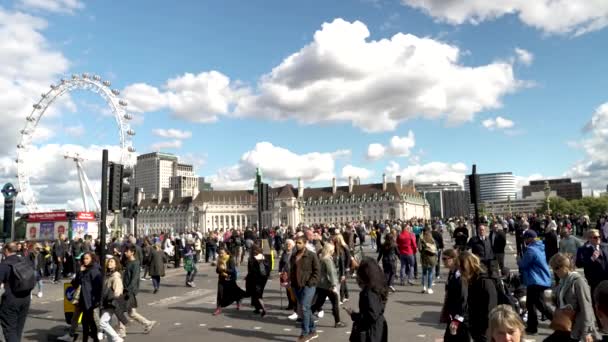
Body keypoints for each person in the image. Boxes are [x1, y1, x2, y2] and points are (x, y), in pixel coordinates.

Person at [545, 253, 599, 342]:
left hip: (576, 327)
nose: (554, 271)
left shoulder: (578, 282)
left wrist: (587, 332)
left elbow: (586, 308)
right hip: (565, 324)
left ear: (564, 267)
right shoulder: (563, 281)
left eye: (556, 268)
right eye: (553, 269)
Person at [343, 257, 388, 342]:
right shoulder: (379, 286)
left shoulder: (369, 292)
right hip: (378, 328)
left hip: (370, 332)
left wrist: (354, 315)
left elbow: (371, 316)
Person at [517, 230, 553, 335]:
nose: (524, 240)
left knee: (540, 304)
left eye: (526, 238)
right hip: (538, 279)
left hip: (536, 280)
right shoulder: (539, 247)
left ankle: (558, 321)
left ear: (530, 238)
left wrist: (519, 260)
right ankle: (532, 327)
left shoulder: (531, 250)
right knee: (531, 304)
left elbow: (523, 264)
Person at [117, 244, 156, 338]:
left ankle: (122, 332)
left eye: (127, 251)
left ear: (132, 252)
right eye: (125, 251)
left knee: (119, 310)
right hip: (126, 290)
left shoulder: (135, 263)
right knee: (131, 313)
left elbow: (134, 279)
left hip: (129, 291)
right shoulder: (128, 262)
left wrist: (129, 291)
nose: (125, 253)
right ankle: (148, 323)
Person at [0, 242, 35, 342]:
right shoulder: (24, 260)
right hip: (26, 298)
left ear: (6, 250)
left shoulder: (4, 264)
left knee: (10, 330)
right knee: (18, 330)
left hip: (11, 299)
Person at [460, 251, 497, 342]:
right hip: (477, 326)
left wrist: (487, 330)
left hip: (484, 329)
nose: (460, 271)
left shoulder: (484, 281)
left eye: (461, 268)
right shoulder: (474, 279)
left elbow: (491, 308)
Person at [290, 235, 320, 342]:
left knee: (304, 307)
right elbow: (292, 270)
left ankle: (305, 333)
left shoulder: (311, 255)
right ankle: (313, 330)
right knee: (306, 309)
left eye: (300, 243)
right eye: (296, 243)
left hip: (308, 286)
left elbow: (317, 271)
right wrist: (291, 283)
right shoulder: (293, 256)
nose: (297, 245)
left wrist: (310, 282)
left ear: (305, 243)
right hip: (296, 286)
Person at [311, 243, 346, 328]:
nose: (334, 251)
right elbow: (331, 273)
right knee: (335, 303)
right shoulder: (327, 260)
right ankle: (337, 322)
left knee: (318, 303)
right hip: (328, 285)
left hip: (321, 285)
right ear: (330, 251)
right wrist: (334, 285)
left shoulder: (321, 258)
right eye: (333, 250)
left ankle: (306, 316)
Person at [71, 252, 102, 342]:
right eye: (84, 258)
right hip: (83, 300)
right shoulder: (84, 269)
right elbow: (75, 284)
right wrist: (80, 272)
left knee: (91, 322)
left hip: (90, 301)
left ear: (92, 259)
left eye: (87, 258)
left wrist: (96, 300)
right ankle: (90, 339)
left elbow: (98, 287)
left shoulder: (94, 270)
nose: (85, 260)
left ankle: (96, 338)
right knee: (86, 322)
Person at [440, 249, 469, 342]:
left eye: (445, 259)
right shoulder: (452, 273)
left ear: (453, 259)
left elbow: (464, 300)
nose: (443, 261)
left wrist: (457, 320)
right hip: (452, 316)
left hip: (460, 320)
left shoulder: (460, 276)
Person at [100, 257, 127, 342]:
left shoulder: (115, 276)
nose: (109, 263)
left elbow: (118, 291)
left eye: (112, 262)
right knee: (107, 324)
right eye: (108, 262)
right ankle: (112, 340)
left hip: (112, 303)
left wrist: (113, 299)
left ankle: (117, 338)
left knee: (102, 322)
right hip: (107, 302)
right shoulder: (109, 275)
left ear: (116, 264)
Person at [214, 247, 246, 315]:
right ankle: (218, 309)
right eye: (219, 253)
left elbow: (232, 270)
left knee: (234, 291)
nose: (220, 254)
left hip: (230, 278)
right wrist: (219, 270)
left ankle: (239, 299)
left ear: (226, 253)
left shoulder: (230, 259)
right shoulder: (219, 259)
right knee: (220, 293)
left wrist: (224, 270)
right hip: (222, 278)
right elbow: (217, 270)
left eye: (222, 253)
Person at [576, 229, 608, 296]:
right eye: (596, 237)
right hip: (594, 281)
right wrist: (591, 259)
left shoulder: (605, 246)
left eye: (599, 236)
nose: (598, 238)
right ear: (589, 238)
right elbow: (578, 264)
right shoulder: (582, 249)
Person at [246, 244, 270, 317]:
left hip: (255, 278)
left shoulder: (252, 259)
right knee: (259, 293)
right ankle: (257, 308)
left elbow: (250, 270)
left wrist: (248, 277)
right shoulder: (264, 257)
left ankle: (263, 308)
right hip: (264, 278)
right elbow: (268, 268)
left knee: (256, 294)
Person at [279, 239, 297, 319]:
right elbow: (281, 262)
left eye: (289, 244)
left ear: (293, 245)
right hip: (286, 273)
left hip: (293, 273)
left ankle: (295, 305)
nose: (288, 246)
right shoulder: (284, 253)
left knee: (293, 290)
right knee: (287, 290)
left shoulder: (295, 252)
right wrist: (280, 270)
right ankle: (290, 304)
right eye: (287, 244)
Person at [420, 228, 438, 294]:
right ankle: (429, 288)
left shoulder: (422, 240)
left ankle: (424, 287)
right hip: (432, 258)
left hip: (424, 258)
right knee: (430, 273)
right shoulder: (433, 240)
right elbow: (436, 249)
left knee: (424, 273)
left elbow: (419, 249)